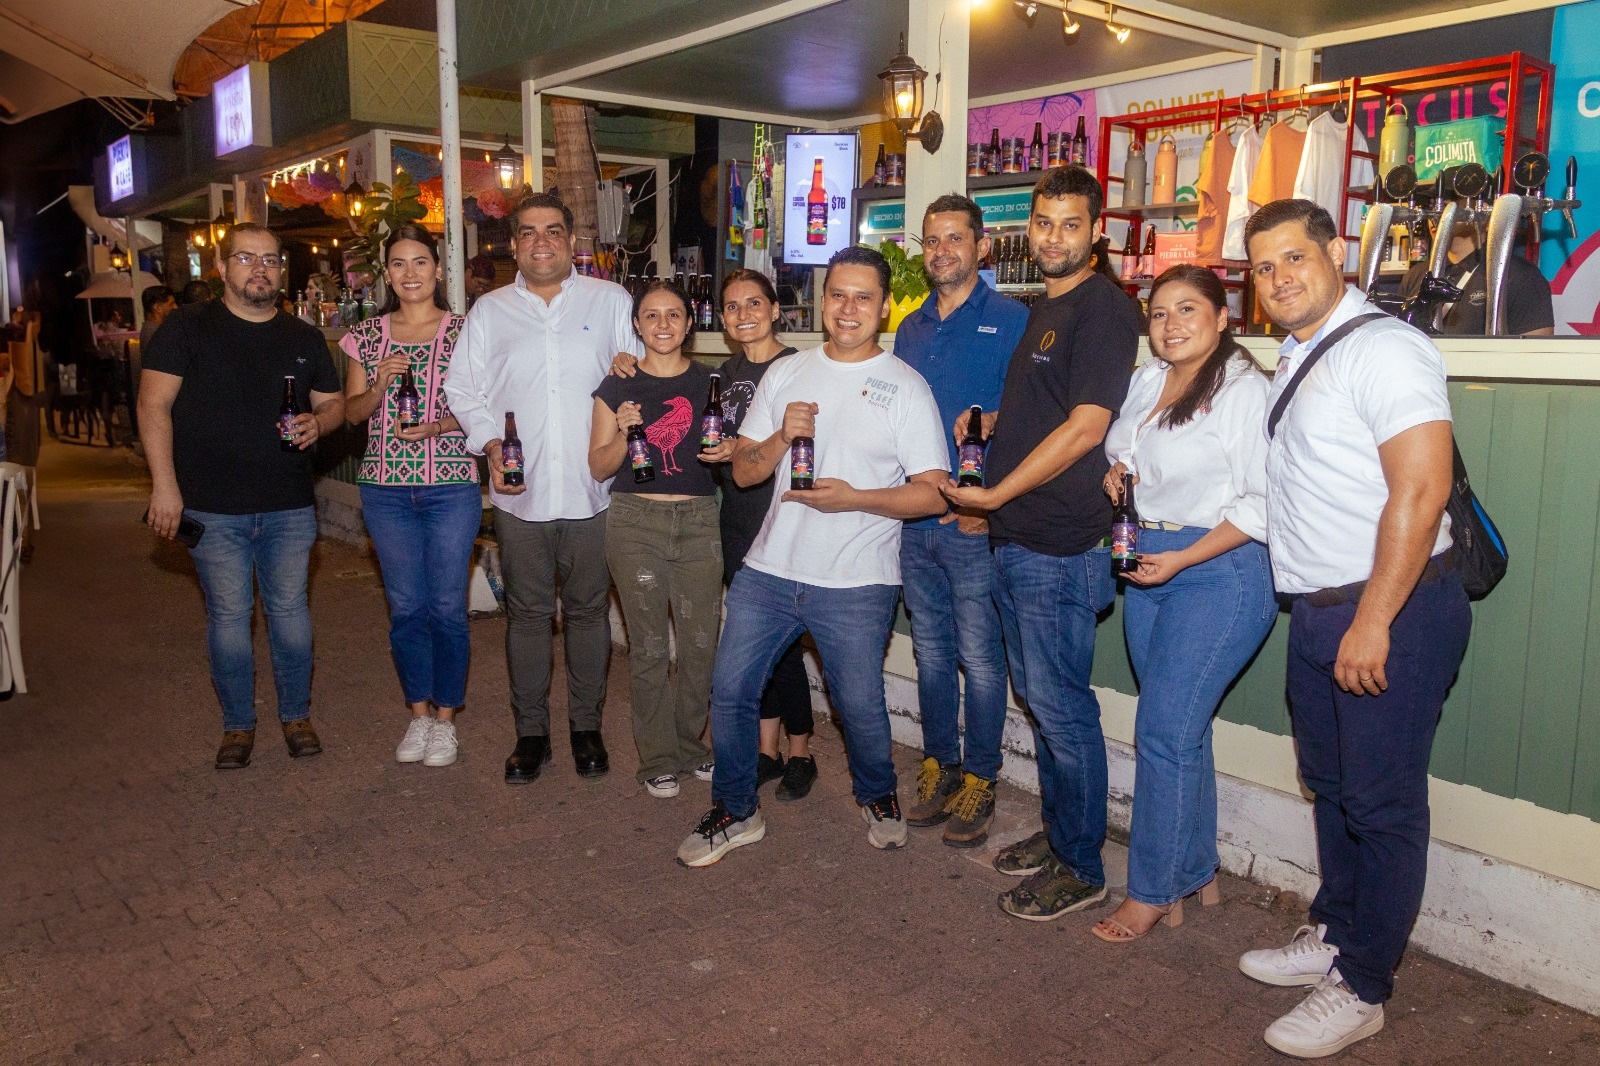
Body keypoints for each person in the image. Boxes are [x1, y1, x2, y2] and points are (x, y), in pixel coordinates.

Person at [1237, 199, 1470, 1059]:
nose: (1279, 279)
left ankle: (1365, 985)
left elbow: (1422, 488)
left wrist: (1374, 620)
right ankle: (1336, 933)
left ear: (1337, 253)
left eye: (1294, 257)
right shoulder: (1299, 352)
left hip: (1390, 610)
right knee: (1332, 787)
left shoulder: (1386, 348)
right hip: (1320, 611)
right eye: (1263, 267)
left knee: (1382, 803)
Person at [676, 246, 949, 867]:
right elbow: (745, 473)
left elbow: (935, 492)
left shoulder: (906, 387)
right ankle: (736, 810)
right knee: (730, 690)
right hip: (769, 570)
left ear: (884, 307)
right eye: (838, 295)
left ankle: (878, 794)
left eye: (863, 297)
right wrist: (782, 436)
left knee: (858, 705)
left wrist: (856, 498)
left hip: (857, 579)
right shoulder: (787, 373)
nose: (848, 308)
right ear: (822, 302)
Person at [942, 165, 1140, 921]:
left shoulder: (1105, 310)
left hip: (1059, 546)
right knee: (1045, 705)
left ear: (1097, 232)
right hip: (1019, 541)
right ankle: (1063, 839)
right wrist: (993, 426)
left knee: (1063, 713)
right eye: (1044, 222)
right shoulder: (1043, 309)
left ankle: (1082, 866)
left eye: (1071, 224)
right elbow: (1050, 411)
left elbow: (1087, 428)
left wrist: (995, 495)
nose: (1054, 237)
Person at [1089, 265, 1276, 943]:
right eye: (1160, 312)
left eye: (1188, 309)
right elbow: (1131, 453)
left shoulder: (1243, 391)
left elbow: (1261, 502)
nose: (1170, 325)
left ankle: (1150, 891)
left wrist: (1185, 558)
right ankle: (1195, 870)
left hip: (1218, 570)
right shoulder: (1148, 380)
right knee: (1182, 733)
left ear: (1223, 318)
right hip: (1148, 561)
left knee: (1162, 732)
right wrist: (1118, 473)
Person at [444, 192, 641, 784]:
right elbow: (462, 387)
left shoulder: (611, 301)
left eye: (552, 230)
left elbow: (640, 376)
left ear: (570, 239)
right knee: (527, 616)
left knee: (588, 613)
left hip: (592, 490)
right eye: (528, 232)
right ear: (513, 244)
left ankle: (586, 728)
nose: (541, 242)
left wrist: (631, 376)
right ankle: (530, 734)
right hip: (519, 492)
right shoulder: (489, 311)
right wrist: (489, 442)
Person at [140, 223, 345, 769]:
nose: (260, 269)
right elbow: (152, 407)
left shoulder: (302, 337)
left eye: (271, 260)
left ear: (282, 270)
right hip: (210, 506)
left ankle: (296, 716)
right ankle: (237, 725)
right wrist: (164, 486)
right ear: (222, 266)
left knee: (290, 612)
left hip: (289, 505)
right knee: (229, 617)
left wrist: (320, 423)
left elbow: (334, 404)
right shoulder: (187, 327)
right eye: (247, 258)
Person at [611, 269, 817, 799]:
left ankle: (801, 752)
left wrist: (750, 453)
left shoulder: (800, 367)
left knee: (784, 644)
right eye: (731, 306)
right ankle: (767, 750)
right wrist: (624, 363)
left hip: (784, 513)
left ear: (775, 309)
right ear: (720, 319)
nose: (743, 314)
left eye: (755, 303)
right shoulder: (721, 375)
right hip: (735, 517)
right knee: (751, 639)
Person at [894, 194, 1027, 847]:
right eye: (932, 240)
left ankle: (981, 777)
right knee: (931, 654)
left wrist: (989, 509)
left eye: (954, 238)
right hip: (915, 522)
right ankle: (939, 764)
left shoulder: (1013, 319)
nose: (942, 251)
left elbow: (1031, 424)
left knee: (980, 655)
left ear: (982, 247)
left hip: (973, 525)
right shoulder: (910, 327)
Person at [341, 224, 478, 769]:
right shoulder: (365, 336)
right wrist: (378, 384)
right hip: (384, 489)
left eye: (420, 262)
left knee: (446, 605)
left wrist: (438, 426)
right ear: (387, 274)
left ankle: (446, 720)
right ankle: (418, 713)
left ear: (438, 270)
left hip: (451, 485)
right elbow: (352, 414)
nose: (410, 273)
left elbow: (484, 409)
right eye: (398, 264)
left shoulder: (466, 331)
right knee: (405, 606)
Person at [588, 281, 720, 798]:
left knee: (700, 645)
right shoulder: (616, 384)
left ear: (689, 324)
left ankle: (691, 746)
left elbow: (730, 447)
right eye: (651, 315)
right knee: (647, 647)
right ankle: (657, 758)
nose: (663, 324)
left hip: (699, 521)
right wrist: (625, 434)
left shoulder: (711, 382)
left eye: (673, 315)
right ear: (637, 326)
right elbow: (599, 466)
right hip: (635, 522)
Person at [1397, 223, 1554, 336]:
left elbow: (1534, 355)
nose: (1438, 214)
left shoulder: (1520, 276)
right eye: (1432, 204)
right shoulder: (1416, 275)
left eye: (1450, 201)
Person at [133, 285, 177, 435]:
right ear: (158, 308)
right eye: (171, 303)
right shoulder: (157, 334)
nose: (175, 307)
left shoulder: (151, 330)